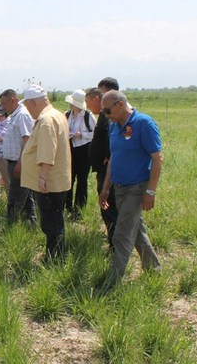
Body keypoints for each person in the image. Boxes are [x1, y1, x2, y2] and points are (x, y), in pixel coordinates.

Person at [99, 90, 163, 288]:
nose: (105, 115)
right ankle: (154, 271)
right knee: (136, 233)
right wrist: (105, 187)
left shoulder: (143, 123)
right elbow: (113, 158)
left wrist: (150, 191)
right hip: (119, 188)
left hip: (137, 188)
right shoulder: (114, 126)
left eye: (107, 110)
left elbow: (157, 157)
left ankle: (113, 282)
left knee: (122, 232)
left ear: (120, 104)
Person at [19, 85, 71, 259]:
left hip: (49, 182)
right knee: (55, 221)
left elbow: (47, 152)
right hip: (56, 179)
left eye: (27, 105)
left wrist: (42, 177)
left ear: (33, 103)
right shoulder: (58, 115)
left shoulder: (47, 120)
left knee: (51, 223)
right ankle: (55, 255)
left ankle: (55, 258)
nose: (28, 110)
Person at [88, 79, 120, 250]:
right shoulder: (104, 114)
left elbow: (113, 139)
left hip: (108, 171)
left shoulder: (111, 115)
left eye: (102, 93)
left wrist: (108, 155)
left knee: (109, 207)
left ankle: (115, 246)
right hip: (103, 169)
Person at [0, 89, 37, 224]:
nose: (2, 107)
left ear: (13, 100)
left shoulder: (22, 115)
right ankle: (31, 224)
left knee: (15, 198)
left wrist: (21, 163)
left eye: (4, 103)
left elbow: (27, 140)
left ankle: (11, 226)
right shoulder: (14, 115)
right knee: (26, 197)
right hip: (13, 162)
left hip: (19, 163)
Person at [65, 89, 97, 218]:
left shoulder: (88, 116)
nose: (70, 105)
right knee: (69, 179)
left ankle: (79, 209)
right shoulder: (67, 115)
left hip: (84, 151)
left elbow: (95, 134)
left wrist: (81, 135)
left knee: (82, 181)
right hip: (70, 149)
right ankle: (67, 206)